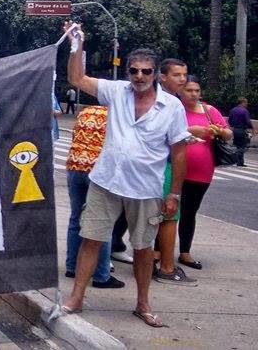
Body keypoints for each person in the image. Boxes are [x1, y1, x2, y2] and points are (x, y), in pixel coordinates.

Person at [60, 22, 191, 328]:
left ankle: (143, 304)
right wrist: (76, 45)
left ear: (156, 74)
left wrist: (174, 193)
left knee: (143, 248)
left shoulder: (171, 107)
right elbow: (77, 78)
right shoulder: (117, 92)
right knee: (91, 239)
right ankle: (76, 297)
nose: (139, 76)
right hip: (106, 182)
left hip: (145, 189)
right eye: (134, 71)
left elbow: (179, 152)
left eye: (146, 71)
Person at [63, 105, 124, 289]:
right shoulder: (117, 115)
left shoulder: (85, 111)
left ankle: (72, 266)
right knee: (102, 223)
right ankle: (101, 275)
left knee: (76, 218)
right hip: (98, 171)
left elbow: (75, 136)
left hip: (75, 166)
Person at [177, 75, 231, 270]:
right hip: (175, 168)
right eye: (189, 90)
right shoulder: (175, 109)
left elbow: (228, 133)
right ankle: (159, 250)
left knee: (190, 211)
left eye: (197, 91)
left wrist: (220, 131)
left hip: (202, 170)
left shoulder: (209, 110)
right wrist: (190, 130)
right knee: (166, 210)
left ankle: (185, 251)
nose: (194, 94)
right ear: (180, 92)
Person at [152, 58, 195, 285]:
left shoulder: (157, 98)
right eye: (177, 75)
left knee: (153, 216)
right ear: (162, 77)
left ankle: (152, 260)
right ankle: (167, 268)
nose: (182, 79)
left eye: (184, 75)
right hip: (164, 165)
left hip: (155, 166)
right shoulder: (169, 102)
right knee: (169, 216)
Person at [228, 97, 254, 167]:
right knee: (242, 146)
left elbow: (229, 121)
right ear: (242, 102)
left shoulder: (232, 110)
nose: (247, 104)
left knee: (238, 145)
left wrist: (233, 125)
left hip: (235, 129)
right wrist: (252, 128)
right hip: (242, 129)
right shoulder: (245, 111)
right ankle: (234, 158)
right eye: (246, 102)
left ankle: (240, 162)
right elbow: (248, 121)